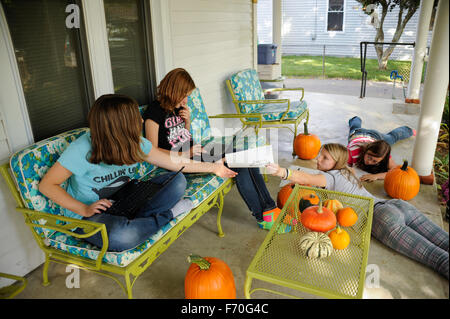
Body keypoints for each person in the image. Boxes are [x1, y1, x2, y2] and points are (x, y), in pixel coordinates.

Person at [39, 94, 237, 252]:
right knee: (121, 237)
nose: (141, 119)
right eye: (136, 117)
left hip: (126, 196)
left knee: (177, 182)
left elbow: (174, 163)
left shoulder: (136, 142)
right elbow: (47, 185)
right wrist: (83, 209)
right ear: (120, 125)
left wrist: (214, 167)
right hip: (91, 215)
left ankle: (136, 221)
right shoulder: (82, 148)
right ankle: (167, 214)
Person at [266, 143, 449, 279]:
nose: (318, 160)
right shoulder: (347, 171)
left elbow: (305, 177)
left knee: (438, 259)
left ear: (336, 162)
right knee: (444, 241)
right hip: (398, 205)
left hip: (381, 218)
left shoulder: (329, 178)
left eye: (324, 158)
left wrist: (282, 171)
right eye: (320, 155)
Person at [143, 68, 289, 232]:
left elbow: (183, 136)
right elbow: (152, 150)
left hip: (195, 151)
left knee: (242, 156)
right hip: (179, 161)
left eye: (187, 96)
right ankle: (265, 216)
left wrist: (188, 122)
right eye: (184, 95)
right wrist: (183, 154)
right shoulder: (154, 111)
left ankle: (269, 210)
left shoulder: (178, 107)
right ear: (173, 91)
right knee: (239, 162)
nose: (186, 100)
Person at [347, 116, 415, 182]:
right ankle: (355, 118)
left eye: (375, 161)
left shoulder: (383, 153)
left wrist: (376, 176)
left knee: (392, 137)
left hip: (375, 136)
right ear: (366, 150)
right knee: (354, 126)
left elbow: (394, 171)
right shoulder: (352, 151)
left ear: (383, 158)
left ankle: (409, 130)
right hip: (357, 133)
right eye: (369, 157)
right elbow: (344, 166)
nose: (369, 162)